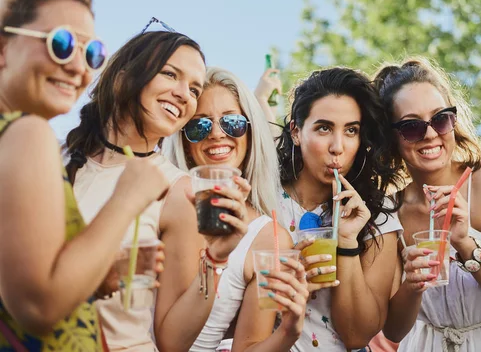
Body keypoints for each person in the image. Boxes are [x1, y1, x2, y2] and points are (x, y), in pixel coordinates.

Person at [0, 0, 169, 350]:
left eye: (91, 53)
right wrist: (127, 198)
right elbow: (38, 307)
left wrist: (93, 277)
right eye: (60, 44)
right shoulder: (28, 134)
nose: (79, 67)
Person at [64, 31, 248, 351]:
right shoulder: (48, 159)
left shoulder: (179, 191)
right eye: (169, 74)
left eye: (193, 89)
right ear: (122, 78)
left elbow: (171, 341)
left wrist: (215, 260)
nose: (183, 94)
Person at [376, 57, 481, 351]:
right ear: (391, 137)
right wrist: (412, 285)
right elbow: (395, 330)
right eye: (412, 127)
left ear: (453, 121)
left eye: (440, 118)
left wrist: (465, 244)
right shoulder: (390, 212)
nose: (430, 134)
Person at [162, 66, 309, 352]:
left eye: (232, 122)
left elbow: (247, 347)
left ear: (251, 132)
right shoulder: (160, 197)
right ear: (184, 140)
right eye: (199, 125)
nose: (217, 134)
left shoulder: (268, 237)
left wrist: (290, 332)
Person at [275, 67, 402, 351]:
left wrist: (346, 242)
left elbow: (357, 336)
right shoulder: (262, 200)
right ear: (296, 131)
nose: (337, 147)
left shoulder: (378, 213)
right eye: (324, 128)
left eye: (351, 131)